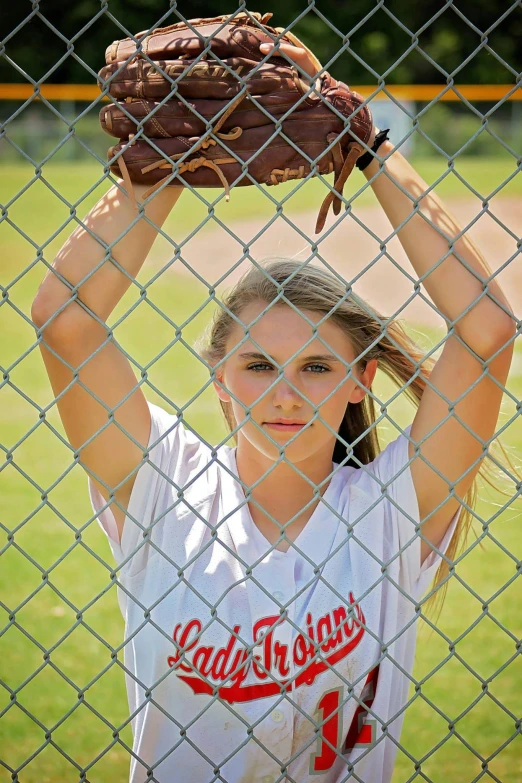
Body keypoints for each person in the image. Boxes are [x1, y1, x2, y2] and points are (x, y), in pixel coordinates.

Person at [31, 41, 515, 783]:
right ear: (220, 379)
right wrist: (168, 159)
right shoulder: (168, 485)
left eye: (317, 367)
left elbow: (486, 332)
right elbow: (65, 318)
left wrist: (369, 145)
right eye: (258, 365)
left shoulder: (391, 511)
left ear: (361, 380)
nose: (285, 392)